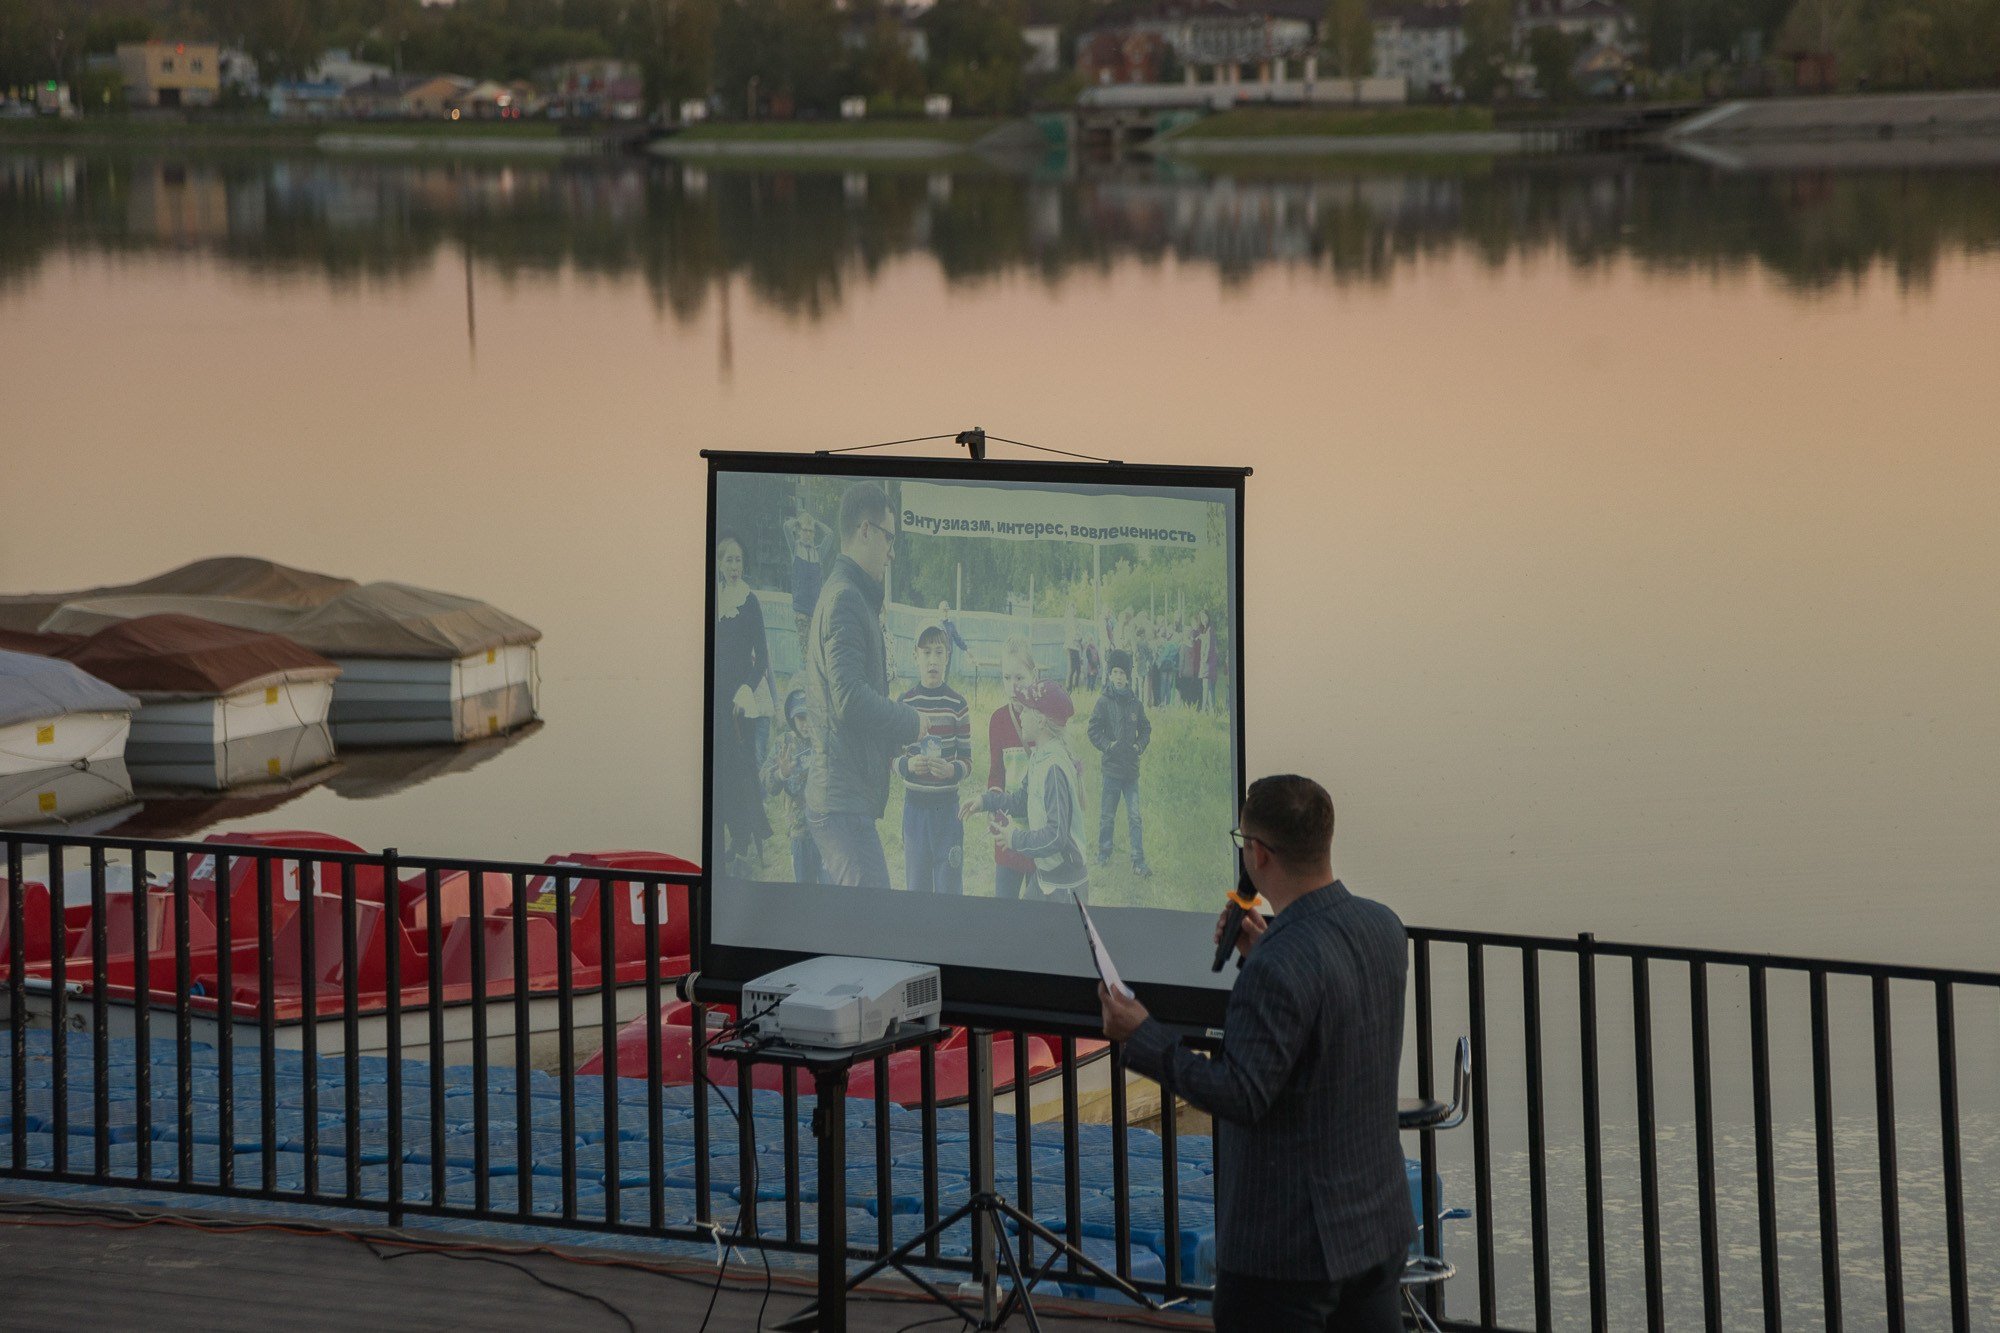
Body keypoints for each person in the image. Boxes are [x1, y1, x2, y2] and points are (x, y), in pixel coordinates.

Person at [1099, 775, 1415, 1333]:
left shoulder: (1279, 965)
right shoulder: (1382, 926)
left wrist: (1141, 1034)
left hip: (1287, 1253)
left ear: (1258, 853)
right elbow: (1325, 1028)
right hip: (1375, 1228)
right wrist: (1265, 946)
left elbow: (1241, 1094)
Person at [801, 482, 927, 888]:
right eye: (890, 538)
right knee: (872, 925)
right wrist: (912, 722)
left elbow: (849, 712)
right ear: (866, 531)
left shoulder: (847, 593)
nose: (893, 552)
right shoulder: (845, 599)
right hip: (841, 805)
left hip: (842, 798)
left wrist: (893, 741)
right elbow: (850, 700)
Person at [962, 679, 1087, 903]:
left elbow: (1056, 836)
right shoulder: (1039, 756)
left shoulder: (1054, 768)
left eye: (1026, 709)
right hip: (1046, 878)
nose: (1020, 714)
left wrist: (1015, 838)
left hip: (1064, 887)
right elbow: (1021, 800)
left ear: (1040, 721)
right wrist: (985, 801)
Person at [713, 530, 773, 876]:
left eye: (738, 559)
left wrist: (744, 692)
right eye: (727, 559)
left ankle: (743, 839)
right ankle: (720, 844)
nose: (733, 566)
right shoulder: (714, 598)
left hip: (740, 702)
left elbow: (761, 659)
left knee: (740, 772)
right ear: (719, 563)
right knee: (718, 775)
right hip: (715, 701)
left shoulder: (749, 601)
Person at [896, 620, 971, 894]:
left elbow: (968, 761)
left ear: (948, 656)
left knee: (949, 888)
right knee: (917, 888)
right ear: (915, 656)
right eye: (926, 652)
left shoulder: (958, 705)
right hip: (914, 812)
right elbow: (892, 758)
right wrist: (908, 765)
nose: (932, 660)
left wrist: (952, 771)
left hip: (948, 813)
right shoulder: (905, 704)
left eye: (939, 652)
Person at [981, 635, 1040, 901]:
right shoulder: (998, 720)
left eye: (1019, 678)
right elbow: (996, 774)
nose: (1013, 686)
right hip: (1009, 834)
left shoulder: (1045, 719)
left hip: (1041, 836)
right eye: (1007, 678)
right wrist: (994, 810)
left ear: (1034, 675)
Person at [1087, 648, 1151, 878]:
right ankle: (1104, 853)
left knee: (1135, 816)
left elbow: (1145, 729)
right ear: (1110, 674)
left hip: (1131, 772)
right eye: (1114, 672)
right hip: (1111, 771)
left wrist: (1139, 746)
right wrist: (1108, 745)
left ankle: (1138, 860)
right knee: (1107, 815)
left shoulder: (1136, 703)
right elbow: (1092, 730)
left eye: (1122, 673)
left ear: (1128, 675)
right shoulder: (1103, 702)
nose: (1118, 677)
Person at [761, 688, 822, 884]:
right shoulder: (784, 743)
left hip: (827, 830)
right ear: (792, 718)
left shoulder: (825, 740)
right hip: (800, 831)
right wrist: (780, 774)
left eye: (809, 716)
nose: (805, 723)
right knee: (803, 888)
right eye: (800, 717)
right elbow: (765, 778)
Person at [785, 500, 837, 651]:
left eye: (811, 531)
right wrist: (799, 521)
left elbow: (830, 534)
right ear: (799, 531)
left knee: (817, 649)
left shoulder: (818, 552)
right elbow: (786, 527)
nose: (808, 534)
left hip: (816, 609)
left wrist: (816, 522)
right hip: (801, 610)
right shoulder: (795, 548)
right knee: (805, 649)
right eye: (805, 530)